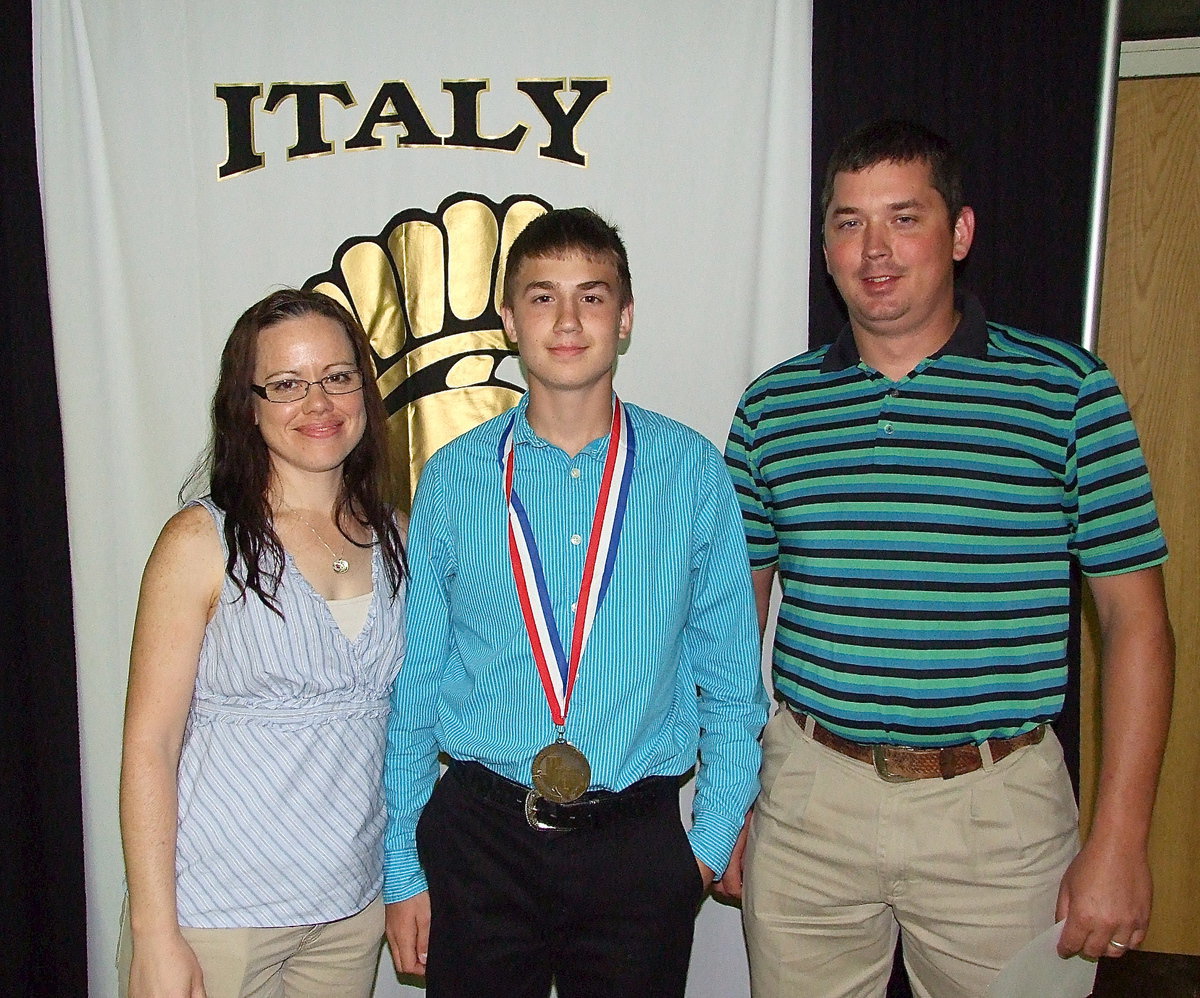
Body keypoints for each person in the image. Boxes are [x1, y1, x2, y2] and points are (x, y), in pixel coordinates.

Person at [721, 119, 1174, 998]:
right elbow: (737, 618)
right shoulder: (773, 409)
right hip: (811, 801)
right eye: (849, 223)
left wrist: (1120, 837)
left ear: (959, 232)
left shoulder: (1069, 394)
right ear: (825, 246)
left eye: (903, 217)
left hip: (996, 811)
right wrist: (732, 796)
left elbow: (1136, 624)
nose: (875, 250)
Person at [382, 207, 769, 997]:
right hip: (481, 841)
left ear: (625, 317)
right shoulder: (453, 482)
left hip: (637, 845)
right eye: (542, 296)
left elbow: (733, 683)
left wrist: (706, 842)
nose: (567, 320)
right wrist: (402, 868)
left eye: (592, 297)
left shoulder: (691, 473)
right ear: (508, 319)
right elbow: (415, 687)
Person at [118, 289, 408, 998]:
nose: (319, 402)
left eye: (338, 377)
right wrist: (158, 933)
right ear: (247, 406)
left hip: (348, 914)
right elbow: (149, 744)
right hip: (214, 916)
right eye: (287, 385)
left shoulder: (400, 535)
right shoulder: (199, 542)